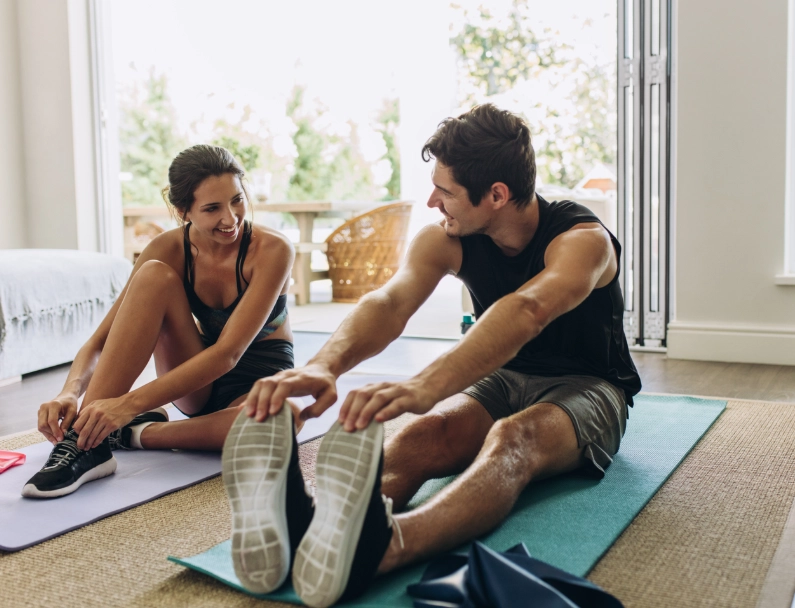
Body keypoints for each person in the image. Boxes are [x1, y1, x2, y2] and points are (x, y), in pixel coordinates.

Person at [221, 103, 642, 607]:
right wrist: (323, 365)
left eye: (445, 191)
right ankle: (309, 525)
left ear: (497, 195)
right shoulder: (449, 238)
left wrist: (425, 385)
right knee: (424, 434)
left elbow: (528, 310)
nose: (431, 201)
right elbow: (390, 303)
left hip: (591, 387)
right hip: (505, 376)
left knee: (513, 439)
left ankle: (384, 548)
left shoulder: (584, 241)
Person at [22, 144, 299, 499]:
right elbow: (101, 340)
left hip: (258, 380)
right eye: (212, 208)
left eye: (237, 200)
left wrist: (127, 408)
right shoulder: (168, 249)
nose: (230, 218)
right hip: (196, 378)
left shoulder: (273, 250)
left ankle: (130, 434)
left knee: (282, 420)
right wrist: (69, 392)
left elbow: (228, 354)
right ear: (183, 211)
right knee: (153, 275)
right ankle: (84, 444)